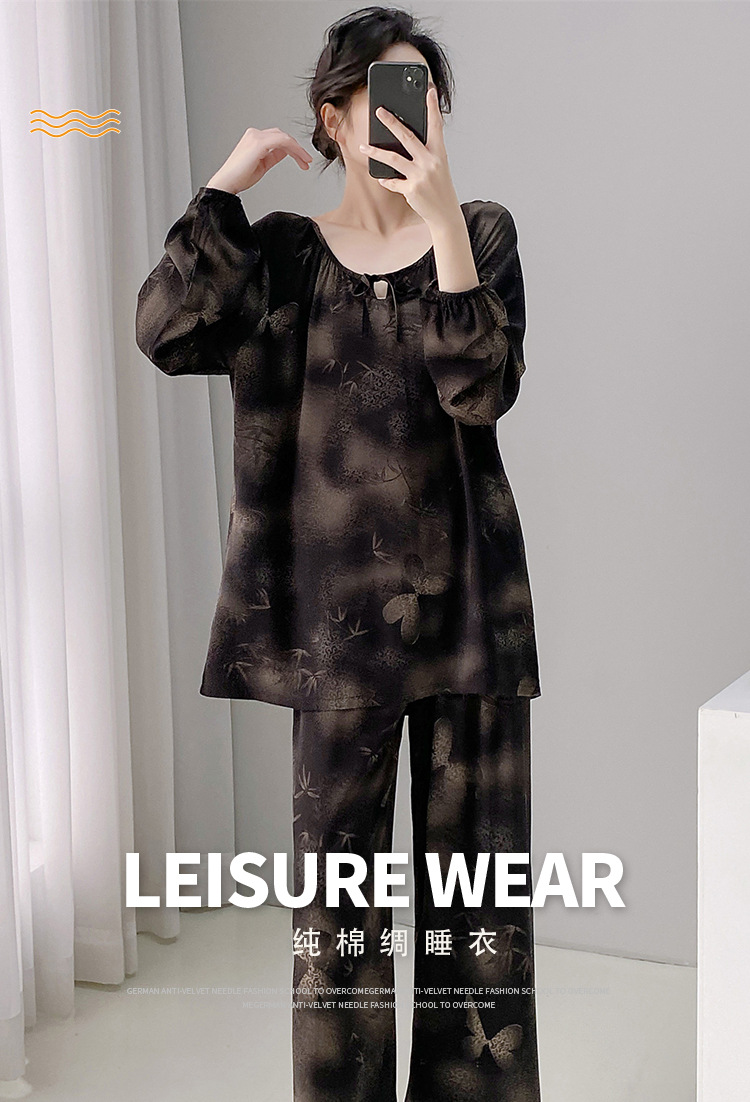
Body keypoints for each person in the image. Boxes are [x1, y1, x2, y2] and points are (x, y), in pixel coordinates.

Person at [136, 7, 543, 1100]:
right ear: (333, 114)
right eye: (387, 95)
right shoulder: (279, 257)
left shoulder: (482, 236)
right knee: (338, 928)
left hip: (471, 623)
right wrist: (225, 187)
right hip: (335, 637)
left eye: (427, 98)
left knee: (478, 924)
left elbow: (479, 389)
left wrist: (442, 219)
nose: (413, 118)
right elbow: (165, 329)